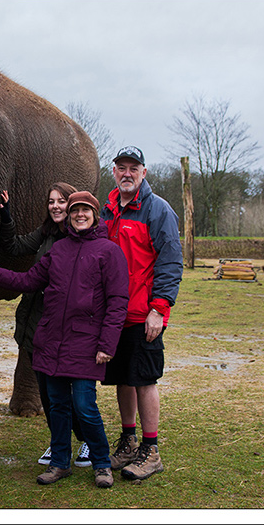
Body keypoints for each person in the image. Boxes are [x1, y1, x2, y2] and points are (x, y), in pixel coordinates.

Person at [0, 191, 128, 489]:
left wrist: (107, 345)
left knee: (85, 406)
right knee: (57, 406)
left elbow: (117, 302)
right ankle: (60, 463)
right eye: (75, 211)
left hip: (85, 345)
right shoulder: (57, 251)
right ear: (69, 216)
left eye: (85, 210)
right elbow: (28, 281)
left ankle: (101, 463)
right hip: (51, 343)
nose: (79, 215)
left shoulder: (109, 252)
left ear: (95, 215)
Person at [100, 146, 184, 481]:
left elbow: (170, 262)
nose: (127, 174)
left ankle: (151, 450)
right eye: (121, 167)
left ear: (144, 173)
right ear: (115, 172)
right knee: (123, 378)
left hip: (143, 314)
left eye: (133, 168)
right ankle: (128, 440)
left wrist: (159, 309)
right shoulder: (105, 211)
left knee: (145, 380)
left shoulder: (157, 210)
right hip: (113, 315)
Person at [0, 184, 92, 468]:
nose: (55, 207)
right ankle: (58, 442)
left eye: (61, 201)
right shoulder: (46, 233)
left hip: (61, 327)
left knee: (67, 392)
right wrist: (6, 214)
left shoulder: (77, 239)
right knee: (48, 393)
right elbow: (14, 247)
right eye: (51, 201)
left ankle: (86, 439)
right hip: (34, 322)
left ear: (72, 204)